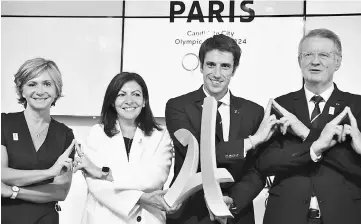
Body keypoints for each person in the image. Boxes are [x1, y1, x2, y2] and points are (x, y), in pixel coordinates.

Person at [165, 34, 279, 224]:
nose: (217, 74)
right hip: (189, 214)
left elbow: (257, 170)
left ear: (234, 69)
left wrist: (233, 200)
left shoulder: (253, 112)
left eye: (225, 66)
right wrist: (251, 142)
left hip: (237, 213)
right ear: (201, 66)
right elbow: (197, 155)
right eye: (211, 65)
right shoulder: (178, 106)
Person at [257, 28, 361, 224]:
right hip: (285, 215)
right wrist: (315, 147)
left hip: (344, 214)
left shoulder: (355, 107)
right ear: (299, 61)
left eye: (323, 55)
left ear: (338, 61)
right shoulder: (281, 106)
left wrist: (305, 133)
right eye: (308, 55)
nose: (315, 61)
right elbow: (266, 162)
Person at [72, 72, 175, 224]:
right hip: (103, 217)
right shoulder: (97, 133)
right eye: (121, 95)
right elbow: (97, 185)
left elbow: (153, 179)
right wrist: (141, 198)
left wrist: (104, 174)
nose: (129, 101)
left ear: (144, 100)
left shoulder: (160, 135)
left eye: (136, 94)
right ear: (112, 101)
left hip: (147, 218)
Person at [1, 58, 76, 224]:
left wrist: (12, 191)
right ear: (21, 90)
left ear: (57, 90)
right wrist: (49, 173)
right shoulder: (4, 124)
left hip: (45, 218)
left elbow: (60, 191)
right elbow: (2, 173)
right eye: (32, 84)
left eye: (47, 84)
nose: (40, 91)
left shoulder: (65, 135)